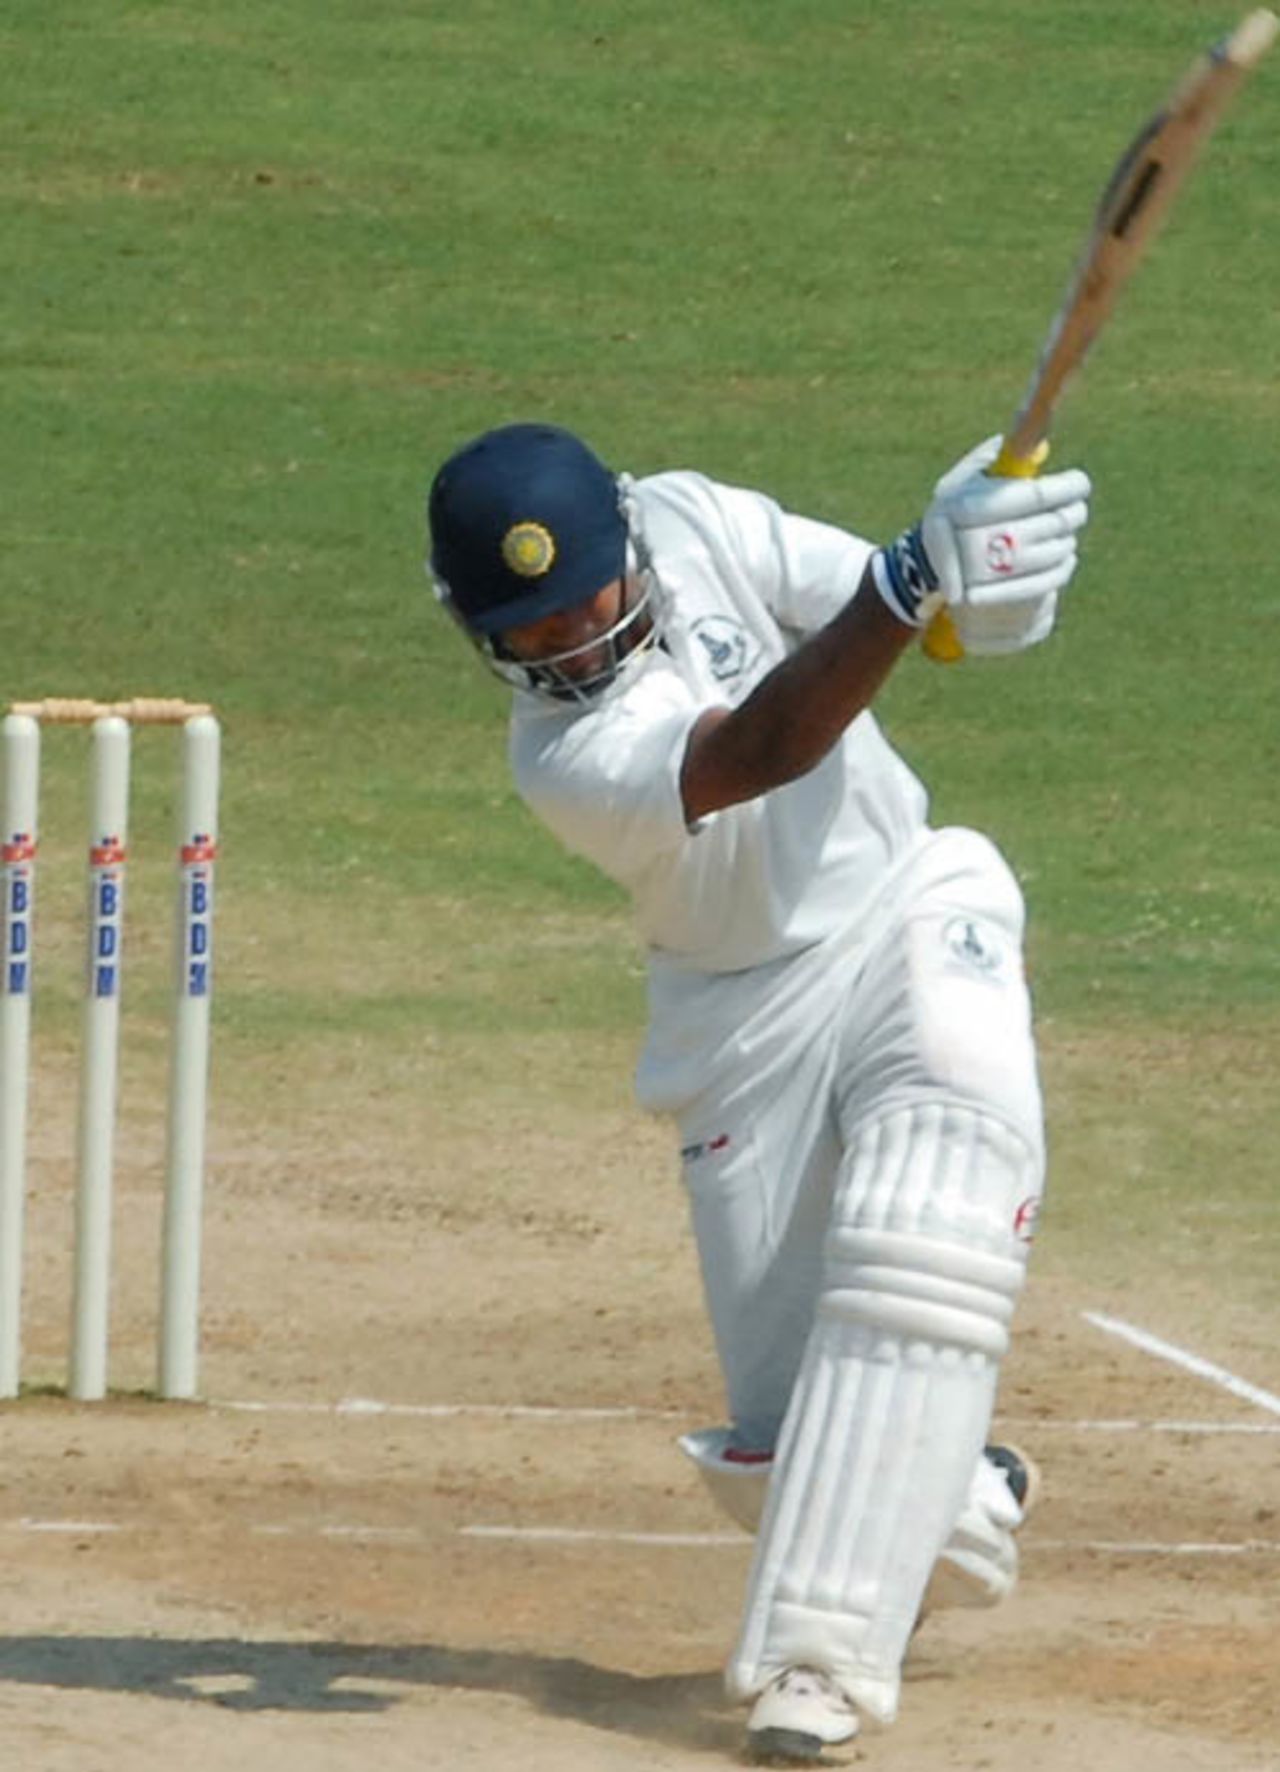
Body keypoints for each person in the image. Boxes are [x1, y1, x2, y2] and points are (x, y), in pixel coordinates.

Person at [425, 421, 1090, 1764]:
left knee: (932, 1213)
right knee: (797, 1465)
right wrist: (907, 589)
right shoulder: (560, 758)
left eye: (582, 605)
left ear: (625, 541)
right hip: (741, 1026)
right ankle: (956, 1489)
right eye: (530, 631)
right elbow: (762, 748)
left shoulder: (691, 516)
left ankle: (816, 1669)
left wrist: (963, 591)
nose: (565, 645)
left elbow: (876, 603)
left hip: (906, 902)